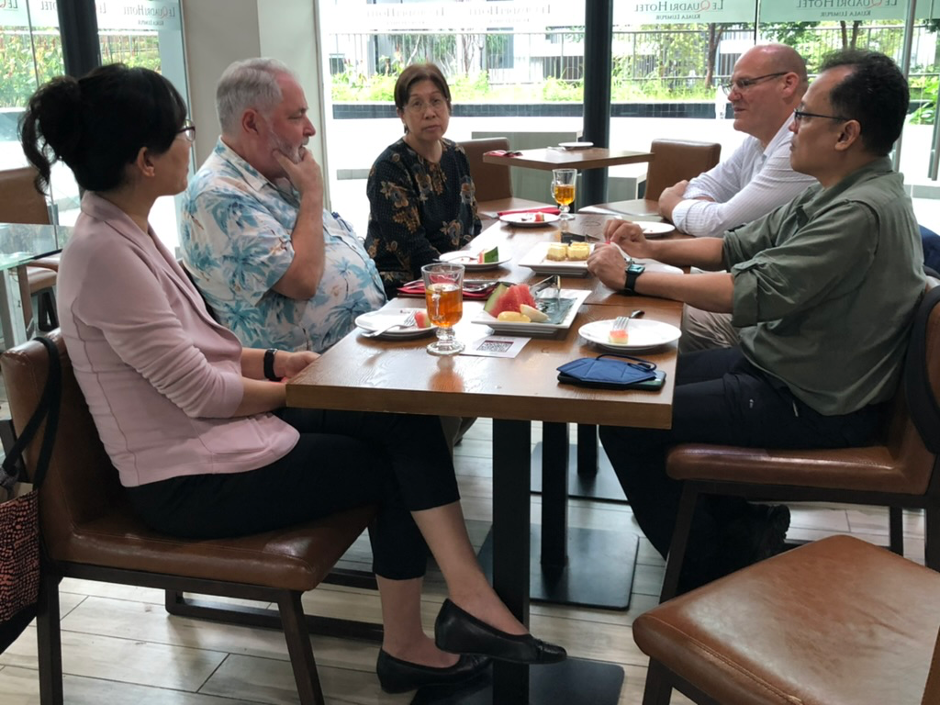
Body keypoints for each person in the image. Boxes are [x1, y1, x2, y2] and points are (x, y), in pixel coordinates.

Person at [23, 63, 565, 695]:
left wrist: (277, 364)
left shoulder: (126, 229)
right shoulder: (107, 254)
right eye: (182, 130)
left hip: (213, 438)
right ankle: (429, 631)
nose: (191, 141)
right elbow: (202, 391)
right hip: (188, 479)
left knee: (401, 425)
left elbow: (207, 348)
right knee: (394, 457)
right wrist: (294, 391)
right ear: (145, 159)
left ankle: (450, 615)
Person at [587, 50, 926, 590]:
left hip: (813, 401)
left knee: (628, 418)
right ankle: (741, 531)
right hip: (781, 368)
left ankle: (707, 576)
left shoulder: (859, 211)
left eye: (806, 115)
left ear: (847, 134)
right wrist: (649, 245)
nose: (793, 127)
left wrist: (632, 276)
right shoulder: (831, 192)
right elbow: (736, 246)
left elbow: (750, 289)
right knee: (629, 381)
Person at [180, 58, 385, 354]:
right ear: (251, 123)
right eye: (296, 117)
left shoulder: (277, 173)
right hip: (307, 380)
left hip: (358, 352)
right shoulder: (217, 193)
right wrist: (312, 194)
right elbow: (302, 282)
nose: (310, 129)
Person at [657, 44, 818, 353]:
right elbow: (708, 193)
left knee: (651, 313)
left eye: (744, 84)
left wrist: (673, 205)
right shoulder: (759, 140)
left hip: (774, 326)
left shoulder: (798, 152)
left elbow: (720, 227)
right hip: (761, 302)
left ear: (788, 84)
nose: (731, 95)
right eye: (731, 85)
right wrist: (706, 211)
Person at [365, 63, 481, 298]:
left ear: (448, 105)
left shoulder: (456, 154)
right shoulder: (389, 167)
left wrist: (481, 271)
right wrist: (463, 281)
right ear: (401, 114)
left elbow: (472, 225)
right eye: (417, 104)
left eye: (436, 101)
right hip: (405, 287)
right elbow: (412, 249)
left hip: (456, 279)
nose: (429, 112)